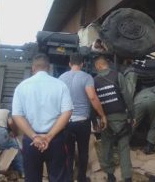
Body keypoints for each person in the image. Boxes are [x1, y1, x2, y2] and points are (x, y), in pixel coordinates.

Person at [12, 53, 73, 182]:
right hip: (56, 140)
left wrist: (34, 136)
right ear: (48, 67)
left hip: (31, 141)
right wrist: (49, 136)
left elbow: (17, 115)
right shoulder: (60, 85)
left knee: (32, 178)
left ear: (33, 68)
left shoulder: (21, 87)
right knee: (58, 177)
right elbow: (67, 112)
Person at [59, 53, 107, 182]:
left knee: (68, 153)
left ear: (70, 64)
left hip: (65, 121)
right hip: (82, 122)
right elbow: (92, 97)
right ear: (82, 64)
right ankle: (81, 178)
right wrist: (102, 115)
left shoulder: (61, 78)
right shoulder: (87, 77)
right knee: (83, 151)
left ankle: (68, 178)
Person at [93, 56, 133, 182]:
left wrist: (95, 120)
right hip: (121, 117)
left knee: (107, 146)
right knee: (124, 148)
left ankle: (110, 175)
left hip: (105, 120)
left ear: (99, 66)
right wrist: (132, 114)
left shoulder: (94, 81)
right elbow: (126, 96)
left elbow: (94, 102)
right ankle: (127, 177)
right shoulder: (118, 75)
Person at [0, 108, 24, 176]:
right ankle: (21, 172)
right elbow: (10, 122)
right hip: (1, 131)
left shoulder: (1, 111)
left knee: (1, 151)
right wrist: (15, 132)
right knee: (15, 149)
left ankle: (3, 170)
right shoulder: (9, 112)